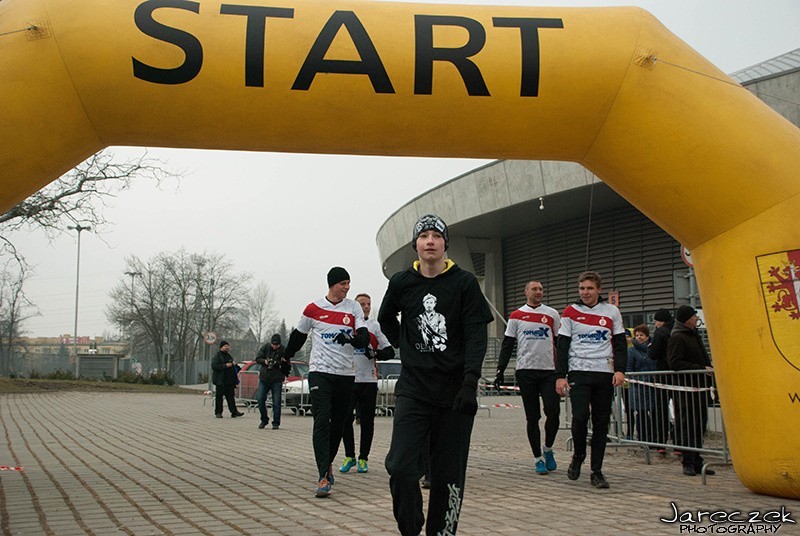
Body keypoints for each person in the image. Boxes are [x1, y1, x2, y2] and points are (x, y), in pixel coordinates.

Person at [379, 214, 493, 536]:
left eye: (436, 235)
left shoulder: (464, 283)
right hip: (413, 389)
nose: (430, 241)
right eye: (424, 235)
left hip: (455, 393)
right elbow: (386, 319)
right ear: (416, 244)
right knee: (400, 467)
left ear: (445, 244)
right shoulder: (402, 282)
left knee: (447, 477)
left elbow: (475, 335)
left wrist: (470, 381)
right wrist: (404, 342)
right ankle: (411, 527)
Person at [283, 267, 370, 498]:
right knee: (322, 420)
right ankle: (322, 476)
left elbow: (362, 337)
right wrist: (285, 356)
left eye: (349, 283)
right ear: (332, 284)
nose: (347, 287)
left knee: (339, 424)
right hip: (320, 372)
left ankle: (328, 463)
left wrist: (350, 337)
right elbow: (298, 336)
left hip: (345, 374)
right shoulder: (313, 309)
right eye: (343, 283)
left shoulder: (352, 308)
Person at [555, 271, 626, 489]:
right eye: (582, 288)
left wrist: (620, 370)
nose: (585, 293)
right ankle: (578, 455)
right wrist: (560, 375)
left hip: (603, 372)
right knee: (580, 417)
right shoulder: (570, 311)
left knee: (601, 422)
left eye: (590, 288)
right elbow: (562, 345)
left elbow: (621, 343)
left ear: (598, 290)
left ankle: (597, 471)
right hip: (578, 371)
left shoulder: (612, 311)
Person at [493, 280, 561, 475]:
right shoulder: (516, 316)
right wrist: (500, 370)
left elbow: (559, 342)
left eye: (540, 289)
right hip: (526, 371)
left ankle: (548, 449)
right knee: (533, 417)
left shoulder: (552, 314)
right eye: (534, 289)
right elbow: (507, 344)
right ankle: (537, 458)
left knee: (553, 411)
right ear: (526, 292)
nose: (538, 292)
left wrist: (564, 370)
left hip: (549, 371)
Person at [339, 293, 395, 474]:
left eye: (369, 304)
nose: (366, 307)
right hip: (349, 378)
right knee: (345, 418)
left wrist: (375, 353)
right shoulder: (346, 324)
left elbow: (389, 351)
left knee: (367, 421)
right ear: (355, 306)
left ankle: (363, 458)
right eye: (362, 304)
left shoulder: (374, 326)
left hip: (369, 380)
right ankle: (349, 455)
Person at [667, 305, 715, 477]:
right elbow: (675, 363)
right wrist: (700, 368)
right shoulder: (678, 337)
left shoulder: (693, 335)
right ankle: (687, 461)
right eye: (694, 316)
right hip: (687, 391)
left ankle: (697, 461)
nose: (696, 318)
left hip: (699, 390)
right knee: (689, 426)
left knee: (699, 426)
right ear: (686, 319)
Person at [648, 308, 674, 449]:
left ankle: (660, 441)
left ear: (661, 321)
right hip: (677, 375)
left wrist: (650, 347)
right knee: (679, 410)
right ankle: (679, 442)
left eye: (657, 321)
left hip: (663, 373)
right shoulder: (675, 330)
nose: (656, 324)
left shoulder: (660, 332)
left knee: (660, 409)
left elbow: (653, 353)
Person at [626, 324, 656, 442]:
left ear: (647, 336)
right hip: (638, 386)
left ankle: (654, 436)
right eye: (637, 335)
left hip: (652, 385)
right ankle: (642, 436)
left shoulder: (652, 350)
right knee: (641, 412)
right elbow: (629, 367)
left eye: (641, 335)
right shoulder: (631, 350)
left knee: (654, 411)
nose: (639, 337)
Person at [255, 333, 290, 430]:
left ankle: (276, 422)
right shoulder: (266, 347)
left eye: (277, 345)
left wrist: (276, 363)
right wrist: (265, 361)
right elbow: (257, 358)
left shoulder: (283, 350)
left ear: (279, 344)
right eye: (273, 344)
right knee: (260, 399)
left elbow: (286, 363)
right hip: (264, 378)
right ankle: (264, 419)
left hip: (277, 379)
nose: (274, 346)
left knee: (277, 402)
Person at [211, 340, 245, 418]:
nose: (227, 347)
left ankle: (234, 412)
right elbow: (214, 366)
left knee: (230, 398)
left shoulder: (229, 356)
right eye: (225, 346)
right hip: (221, 381)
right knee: (219, 398)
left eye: (228, 346)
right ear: (221, 347)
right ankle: (218, 412)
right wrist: (225, 365)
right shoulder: (217, 356)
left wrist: (235, 365)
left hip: (229, 381)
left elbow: (233, 366)